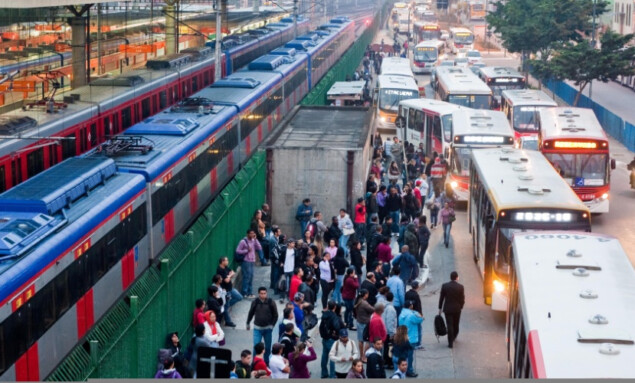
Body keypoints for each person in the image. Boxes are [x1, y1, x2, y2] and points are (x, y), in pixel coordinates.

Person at [246, 287, 278, 364]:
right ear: (258, 294)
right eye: (261, 293)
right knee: (256, 347)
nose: (263, 295)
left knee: (267, 347)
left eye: (264, 293)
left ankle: (266, 363)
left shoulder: (271, 302)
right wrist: (248, 323)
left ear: (266, 293)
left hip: (268, 329)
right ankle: (255, 363)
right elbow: (251, 313)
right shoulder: (255, 302)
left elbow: (276, 315)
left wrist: (272, 325)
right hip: (257, 328)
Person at [439, 271, 465, 349]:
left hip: (448, 309)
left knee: (449, 325)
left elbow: (441, 298)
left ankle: (450, 343)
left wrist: (440, 308)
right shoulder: (460, 287)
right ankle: (454, 336)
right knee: (456, 324)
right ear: (457, 278)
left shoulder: (445, 286)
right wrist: (461, 306)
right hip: (457, 309)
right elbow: (462, 299)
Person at [235, 229, 262, 298]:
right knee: (246, 277)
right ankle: (244, 292)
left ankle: (250, 292)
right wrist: (246, 250)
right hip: (246, 261)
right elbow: (238, 251)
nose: (252, 235)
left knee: (251, 277)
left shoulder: (253, 241)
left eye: (253, 233)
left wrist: (256, 240)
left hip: (252, 261)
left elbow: (259, 247)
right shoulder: (243, 242)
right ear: (247, 234)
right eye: (251, 233)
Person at [320, 300, 342, 378]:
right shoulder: (334, 316)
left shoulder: (324, 315)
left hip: (325, 338)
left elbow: (321, 327)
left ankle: (324, 372)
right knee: (333, 358)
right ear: (335, 307)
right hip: (331, 339)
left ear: (328, 306)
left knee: (324, 355)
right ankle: (332, 375)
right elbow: (337, 327)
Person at [353, 289, 374, 361]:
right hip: (365, 322)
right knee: (367, 340)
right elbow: (372, 309)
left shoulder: (358, 301)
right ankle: (364, 356)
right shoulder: (364, 303)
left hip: (359, 321)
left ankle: (361, 355)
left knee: (360, 340)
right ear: (365, 295)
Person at [405, 282, 424, 349]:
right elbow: (419, 306)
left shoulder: (407, 293)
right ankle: (418, 344)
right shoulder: (416, 295)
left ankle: (409, 342)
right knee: (418, 329)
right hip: (415, 314)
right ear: (417, 287)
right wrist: (421, 315)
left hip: (407, 313)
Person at [382, 292, 398, 369]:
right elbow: (390, 321)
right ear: (392, 299)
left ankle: (386, 361)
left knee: (386, 347)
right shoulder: (391, 309)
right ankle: (389, 362)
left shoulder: (384, 306)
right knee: (390, 348)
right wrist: (392, 333)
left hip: (384, 330)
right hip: (389, 332)